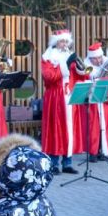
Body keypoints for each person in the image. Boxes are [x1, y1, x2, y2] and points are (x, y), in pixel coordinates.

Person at [41, 30, 78, 173]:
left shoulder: (67, 55)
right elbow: (48, 76)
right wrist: (65, 66)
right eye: (62, 41)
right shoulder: (48, 57)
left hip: (68, 94)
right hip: (55, 96)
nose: (65, 44)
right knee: (56, 129)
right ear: (56, 42)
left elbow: (76, 74)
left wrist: (78, 68)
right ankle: (54, 163)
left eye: (66, 42)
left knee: (69, 129)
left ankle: (67, 162)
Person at [77, 42, 108, 161]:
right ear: (90, 58)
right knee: (93, 127)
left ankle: (103, 150)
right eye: (94, 59)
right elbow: (81, 78)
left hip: (105, 100)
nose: (98, 60)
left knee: (105, 126)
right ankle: (92, 152)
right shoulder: (86, 66)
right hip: (92, 102)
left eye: (99, 58)